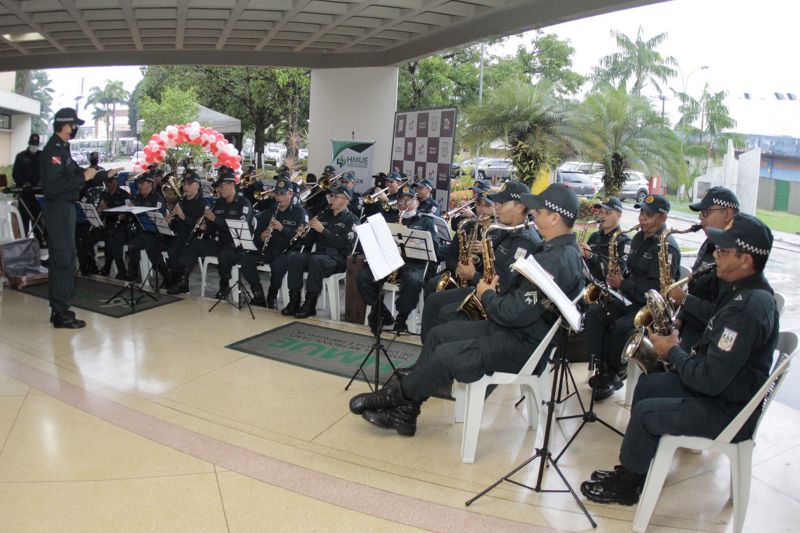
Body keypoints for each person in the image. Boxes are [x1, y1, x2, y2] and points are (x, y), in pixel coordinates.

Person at [348, 183, 584, 436]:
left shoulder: (556, 260)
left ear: (555, 217)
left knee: (445, 354)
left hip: (522, 344)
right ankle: (406, 413)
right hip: (513, 330)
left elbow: (512, 312)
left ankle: (397, 397)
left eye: (538, 211)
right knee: (440, 335)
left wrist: (487, 293)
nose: (533, 215)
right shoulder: (554, 250)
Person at [581, 213, 779, 506]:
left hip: (729, 410)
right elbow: (714, 331)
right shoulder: (744, 291)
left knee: (648, 411)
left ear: (746, 261)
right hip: (727, 392)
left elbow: (710, 381)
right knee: (649, 386)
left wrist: (672, 351)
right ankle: (635, 470)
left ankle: (627, 487)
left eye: (723, 252)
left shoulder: (746, 310)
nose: (715, 256)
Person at [420, 182, 541, 340]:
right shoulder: (509, 230)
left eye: (501, 203)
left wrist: (473, 275)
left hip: (496, 302)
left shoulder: (525, 241)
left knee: (445, 315)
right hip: (483, 290)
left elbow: (504, 286)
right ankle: (428, 357)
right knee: (433, 301)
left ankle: (437, 356)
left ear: (519, 207)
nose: (496, 207)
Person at [591, 194, 681, 401]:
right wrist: (618, 278)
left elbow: (655, 289)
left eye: (648, 214)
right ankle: (602, 366)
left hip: (649, 307)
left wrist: (623, 283)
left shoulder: (667, 248)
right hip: (629, 297)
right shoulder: (639, 238)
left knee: (623, 326)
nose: (642, 218)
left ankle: (615, 371)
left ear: (663, 217)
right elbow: (631, 271)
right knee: (596, 312)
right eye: (641, 212)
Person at [39, 108, 97, 328]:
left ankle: (59, 309)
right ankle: (61, 311)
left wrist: (98, 174)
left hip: (65, 208)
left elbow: (74, 173)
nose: (75, 129)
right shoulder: (53, 151)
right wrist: (84, 176)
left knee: (63, 258)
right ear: (65, 126)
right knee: (64, 259)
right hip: (59, 208)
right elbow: (53, 187)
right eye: (74, 125)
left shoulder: (63, 150)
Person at [357, 184, 440, 334]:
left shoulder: (427, 221)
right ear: (398, 203)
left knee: (413, 282)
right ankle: (381, 312)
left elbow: (435, 247)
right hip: (390, 261)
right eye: (402, 201)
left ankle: (402, 317)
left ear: (417, 202)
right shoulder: (390, 218)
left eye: (410, 200)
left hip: (414, 264)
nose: (406, 204)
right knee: (363, 277)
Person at [667, 186, 739, 350]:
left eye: (706, 212)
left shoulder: (735, 256)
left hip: (708, 338)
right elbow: (695, 290)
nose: (700, 217)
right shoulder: (708, 244)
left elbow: (721, 313)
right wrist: (679, 319)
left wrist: (684, 299)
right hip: (691, 326)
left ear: (727, 214)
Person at [283, 186, 357, 318]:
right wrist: (304, 235)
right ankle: (294, 301)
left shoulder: (351, 219)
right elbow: (309, 242)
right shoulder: (324, 215)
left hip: (338, 258)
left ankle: (310, 304)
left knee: (315, 260)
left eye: (335, 197)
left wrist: (323, 230)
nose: (331, 199)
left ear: (345, 200)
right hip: (319, 255)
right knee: (295, 257)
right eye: (331, 196)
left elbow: (345, 244)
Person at [253, 177, 308, 308]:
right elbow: (256, 235)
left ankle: (271, 296)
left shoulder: (299, 213)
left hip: (287, 250)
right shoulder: (270, 210)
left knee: (278, 264)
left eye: (282, 194)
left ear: (290, 194)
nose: (279, 198)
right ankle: (257, 293)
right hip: (269, 249)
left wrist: (282, 228)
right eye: (277, 193)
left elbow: (301, 238)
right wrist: (262, 237)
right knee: (245, 258)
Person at [164, 170, 208, 292]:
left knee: (176, 248)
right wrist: (169, 221)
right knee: (166, 246)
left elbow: (199, 227)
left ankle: (181, 283)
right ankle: (172, 280)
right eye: (184, 184)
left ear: (197, 186)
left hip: (191, 237)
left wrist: (183, 216)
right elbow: (175, 224)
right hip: (177, 235)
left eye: (189, 184)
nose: (186, 187)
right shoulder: (181, 201)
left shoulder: (201, 204)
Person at [12, 133, 44, 243]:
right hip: (25, 193)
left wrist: (42, 181)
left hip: (39, 193)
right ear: (29, 143)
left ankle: (40, 241)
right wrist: (23, 182)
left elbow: (48, 171)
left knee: (38, 217)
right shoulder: (20, 156)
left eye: (36, 145)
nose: (34, 146)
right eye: (32, 144)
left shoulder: (43, 155)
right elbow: (15, 173)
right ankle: (24, 241)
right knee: (24, 218)